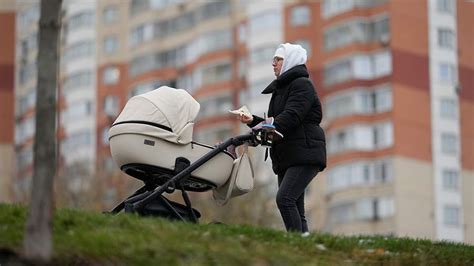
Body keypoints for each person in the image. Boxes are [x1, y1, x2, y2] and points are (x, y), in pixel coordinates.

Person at [237, 43, 327, 234]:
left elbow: (291, 116)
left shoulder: (302, 85)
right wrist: (253, 121)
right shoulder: (281, 90)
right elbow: (277, 121)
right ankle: (305, 244)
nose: (273, 64)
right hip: (288, 156)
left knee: (284, 199)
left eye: (278, 60)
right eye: (273, 60)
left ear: (291, 61)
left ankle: (297, 244)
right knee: (295, 205)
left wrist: (265, 127)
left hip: (305, 153)